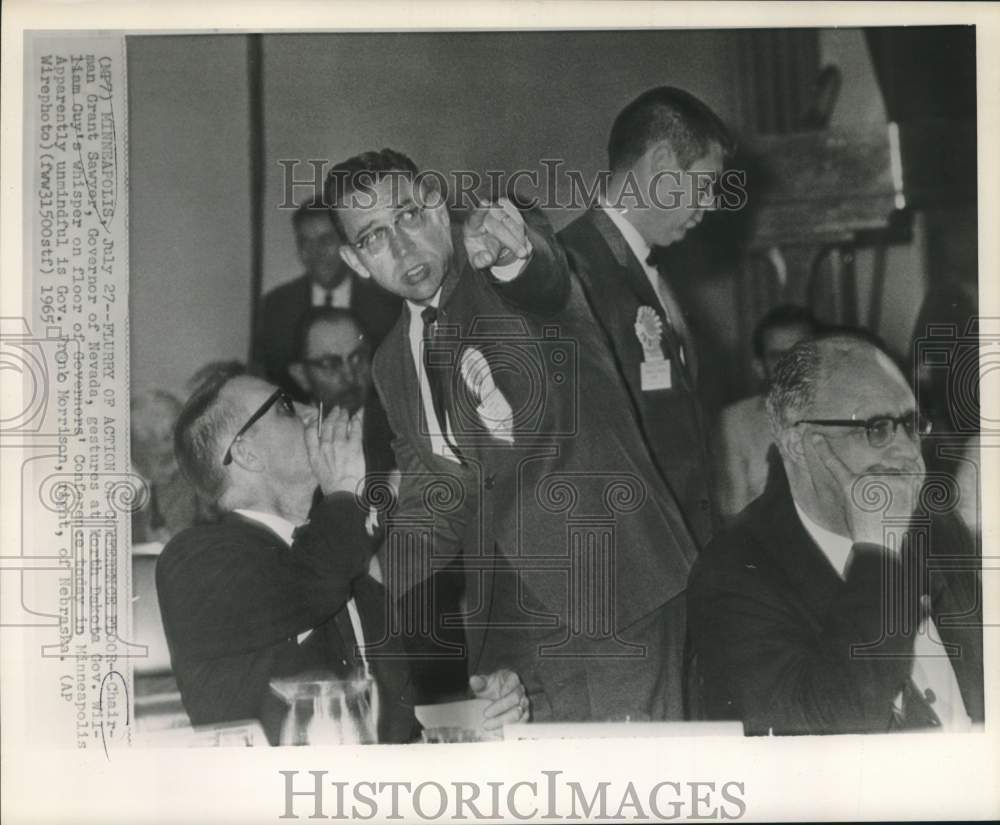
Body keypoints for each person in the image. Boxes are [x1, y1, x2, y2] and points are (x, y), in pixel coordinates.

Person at [328, 149, 699, 722]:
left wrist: (515, 254)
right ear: (355, 261)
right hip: (503, 633)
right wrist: (366, 598)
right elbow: (432, 503)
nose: (402, 248)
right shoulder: (390, 365)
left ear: (435, 203)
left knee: (630, 792)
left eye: (407, 216)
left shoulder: (497, 271)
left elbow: (545, 277)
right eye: (375, 237)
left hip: (613, 584)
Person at [157, 366, 527, 744]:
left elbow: (396, 728)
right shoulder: (194, 560)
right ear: (246, 453)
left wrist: (479, 712)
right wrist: (346, 490)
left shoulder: (347, 549)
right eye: (284, 406)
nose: (311, 411)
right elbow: (310, 583)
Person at [687, 334, 984, 735]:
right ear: (799, 443)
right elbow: (833, 728)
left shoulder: (938, 530)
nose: (907, 453)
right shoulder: (734, 573)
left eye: (912, 425)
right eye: (876, 428)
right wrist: (877, 554)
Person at [558, 86, 735, 548]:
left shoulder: (642, 268)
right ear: (659, 164)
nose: (714, 205)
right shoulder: (572, 271)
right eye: (707, 184)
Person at [251, 197, 401, 397]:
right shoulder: (276, 306)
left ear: (346, 243)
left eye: (325, 240)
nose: (315, 253)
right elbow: (259, 381)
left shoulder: (386, 302)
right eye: (305, 243)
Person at [715, 305, 819, 518]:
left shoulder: (847, 414)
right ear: (759, 367)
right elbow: (735, 516)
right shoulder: (736, 422)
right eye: (778, 356)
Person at [287, 307, 396, 477]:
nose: (350, 375)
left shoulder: (399, 429)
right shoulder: (290, 439)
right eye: (330, 364)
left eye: (357, 357)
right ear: (301, 375)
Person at [130, 388, 203, 543]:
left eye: (183, 450)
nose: (178, 466)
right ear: (140, 466)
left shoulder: (208, 487)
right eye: (165, 460)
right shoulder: (139, 504)